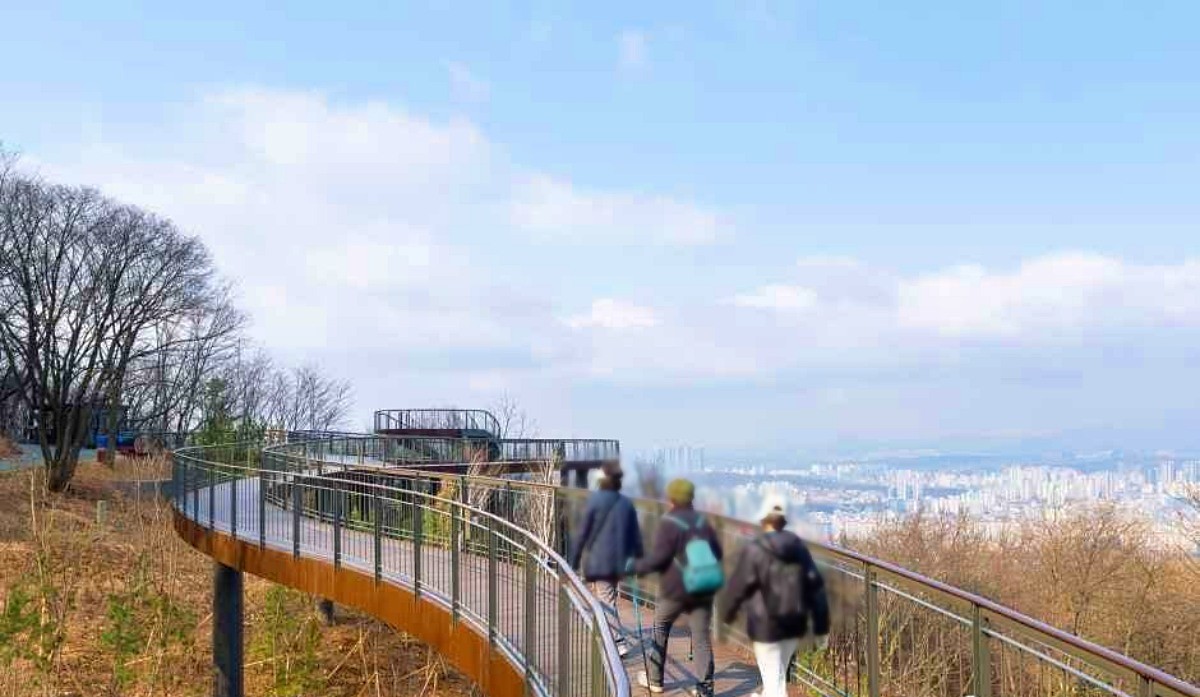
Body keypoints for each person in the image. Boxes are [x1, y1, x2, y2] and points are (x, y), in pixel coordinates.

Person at [721, 495, 831, 697]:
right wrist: (821, 626)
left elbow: (737, 586)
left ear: (763, 520)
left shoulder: (755, 548)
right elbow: (816, 587)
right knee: (777, 675)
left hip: (765, 625)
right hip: (793, 622)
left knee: (774, 681)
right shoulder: (798, 547)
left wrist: (726, 614)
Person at [631, 478, 723, 697]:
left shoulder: (669, 522)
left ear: (671, 498)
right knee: (701, 636)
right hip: (702, 588)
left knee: (660, 625)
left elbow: (659, 558)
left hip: (675, 589)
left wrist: (639, 568)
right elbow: (717, 554)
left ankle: (655, 680)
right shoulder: (703, 522)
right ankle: (704, 689)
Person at [569, 461, 643, 657]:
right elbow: (635, 535)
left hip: (600, 560)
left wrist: (573, 561)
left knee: (606, 599)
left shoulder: (595, 501)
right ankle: (608, 635)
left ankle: (617, 642)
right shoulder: (626, 503)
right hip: (619, 559)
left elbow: (583, 533)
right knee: (606, 597)